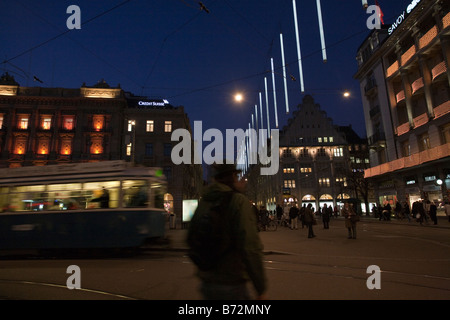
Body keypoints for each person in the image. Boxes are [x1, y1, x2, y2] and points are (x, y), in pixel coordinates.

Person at [187, 163, 267, 300]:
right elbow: (250, 247)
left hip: (206, 282)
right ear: (231, 178)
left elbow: (189, 238)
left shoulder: (204, 202)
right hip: (232, 282)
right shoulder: (238, 201)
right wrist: (260, 287)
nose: (239, 181)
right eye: (236, 176)